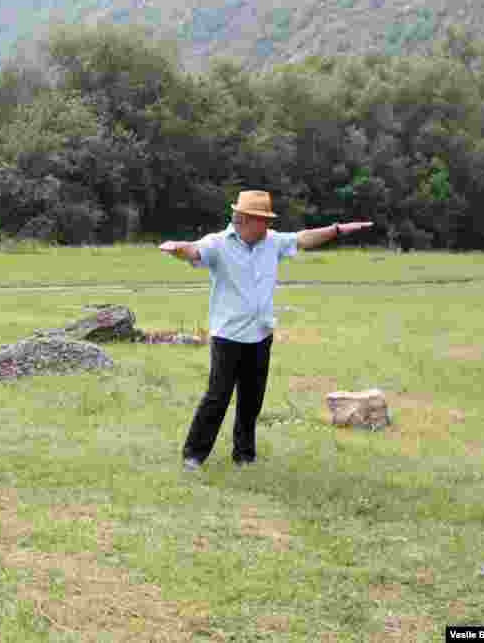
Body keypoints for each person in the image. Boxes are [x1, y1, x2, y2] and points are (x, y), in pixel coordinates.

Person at [160, 190, 373, 471]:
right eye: (263, 220)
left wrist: (336, 230)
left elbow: (303, 238)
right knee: (217, 396)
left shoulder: (272, 242)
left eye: (268, 220)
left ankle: (245, 455)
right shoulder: (219, 244)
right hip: (228, 336)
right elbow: (195, 251)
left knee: (252, 399)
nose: (268, 225)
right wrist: (176, 248)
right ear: (245, 219)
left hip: (260, 335)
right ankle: (194, 455)